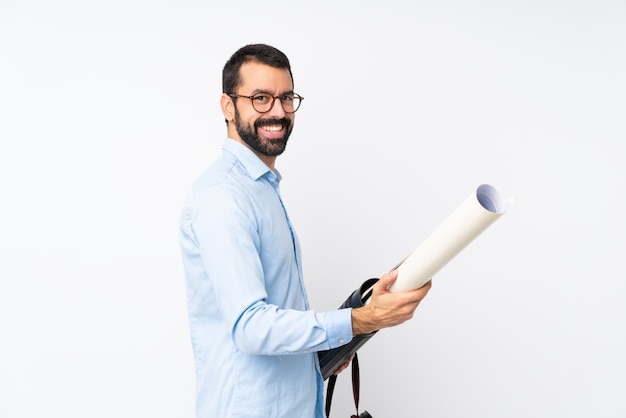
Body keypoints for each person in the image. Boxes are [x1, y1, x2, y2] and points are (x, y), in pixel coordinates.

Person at [178, 43, 432, 418]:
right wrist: (358, 320)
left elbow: (275, 320)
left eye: (286, 98)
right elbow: (251, 327)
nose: (278, 112)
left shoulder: (262, 189)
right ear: (228, 106)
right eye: (260, 98)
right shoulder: (224, 197)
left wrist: (331, 346)